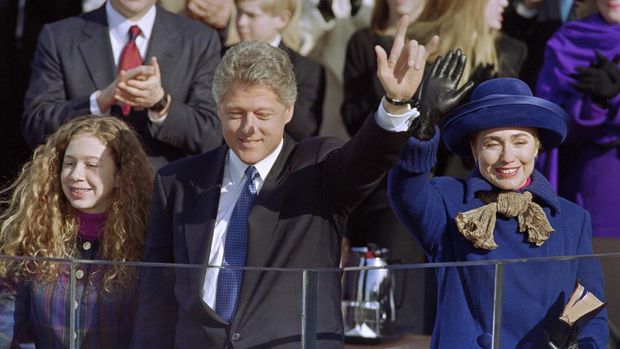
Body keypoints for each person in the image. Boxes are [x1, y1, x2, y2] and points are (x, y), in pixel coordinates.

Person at [132, 16, 436, 348]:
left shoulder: (318, 168)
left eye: (263, 114)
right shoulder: (178, 182)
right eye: (236, 113)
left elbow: (365, 160)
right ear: (219, 109)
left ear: (288, 111)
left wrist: (393, 106)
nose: (249, 128)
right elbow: (156, 298)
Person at [388, 51, 608, 347]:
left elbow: (591, 307)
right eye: (492, 144)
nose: (507, 157)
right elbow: (406, 190)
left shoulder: (572, 218)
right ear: (473, 148)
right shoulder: (447, 201)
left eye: (520, 142)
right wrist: (425, 126)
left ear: (537, 146)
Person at [0, 116, 153, 348]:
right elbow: (7, 322)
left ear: (121, 175)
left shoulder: (148, 241)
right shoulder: (33, 235)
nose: (75, 175)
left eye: (91, 165)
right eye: (69, 163)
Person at [21, 0, 222, 169]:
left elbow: (210, 135)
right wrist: (97, 103)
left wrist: (160, 105)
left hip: (163, 197)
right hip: (82, 191)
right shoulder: (59, 37)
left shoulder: (199, 40)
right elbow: (35, 124)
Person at [341, 0, 434, 334]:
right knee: (388, 318)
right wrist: (390, 98)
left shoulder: (446, 41)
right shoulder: (364, 43)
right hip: (380, 191)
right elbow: (351, 119)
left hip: (438, 189)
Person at [536, 0, 620, 334]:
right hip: (595, 190)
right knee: (599, 308)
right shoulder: (570, 39)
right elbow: (551, 124)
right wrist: (598, 103)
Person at [234, 0, 326, 140]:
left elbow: (305, 130)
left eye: (251, 15)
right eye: (239, 12)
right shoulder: (217, 56)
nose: (241, 22)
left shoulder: (307, 69)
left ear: (282, 19)